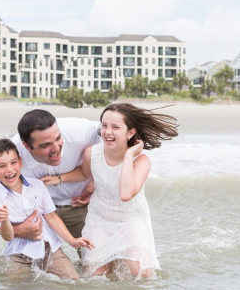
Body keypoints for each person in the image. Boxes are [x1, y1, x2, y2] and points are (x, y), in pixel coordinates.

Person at [42, 103, 178, 279]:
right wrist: (59, 179)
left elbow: (126, 193)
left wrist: (129, 156)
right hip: (100, 221)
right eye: (104, 125)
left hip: (131, 222)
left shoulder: (141, 161)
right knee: (95, 277)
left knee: (142, 275)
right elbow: (84, 173)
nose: (107, 132)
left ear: (130, 132)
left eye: (115, 127)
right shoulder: (92, 153)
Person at [0, 110, 99, 242]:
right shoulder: (9, 157)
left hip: (77, 206)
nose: (56, 149)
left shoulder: (80, 131)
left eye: (58, 138)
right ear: (26, 146)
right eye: (45, 145)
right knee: (47, 260)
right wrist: (18, 230)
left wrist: (96, 179)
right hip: (34, 216)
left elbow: (118, 134)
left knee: (97, 258)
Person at [0, 138, 94, 279]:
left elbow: (51, 217)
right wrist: (4, 221)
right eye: (2, 166)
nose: (10, 169)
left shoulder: (37, 186)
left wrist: (72, 240)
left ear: (20, 162)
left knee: (73, 280)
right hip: (19, 254)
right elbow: (8, 236)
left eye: (13, 163)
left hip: (49, 248)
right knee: (14, 289)